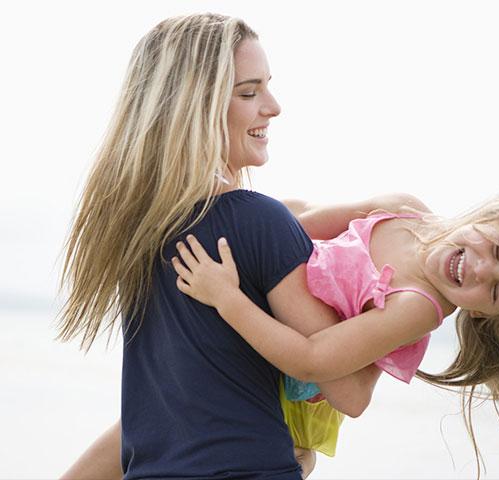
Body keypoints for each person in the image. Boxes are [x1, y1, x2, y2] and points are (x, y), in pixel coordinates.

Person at [57, 13, 404, 479]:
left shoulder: (139, 232)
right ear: (194, 108)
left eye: (267, 86)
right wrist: (397, 309)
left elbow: (161, 412)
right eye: (248, 92)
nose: (273, 106)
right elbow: (350, 393)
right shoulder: (258, 222)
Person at [171, 195, 499, 480]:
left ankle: (298, 456)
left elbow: (316, 362)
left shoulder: (418, 304)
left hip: (296, 390)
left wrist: (228, 298)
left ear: (488, 315)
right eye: (496, 248)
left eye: (496, 290)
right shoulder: (403, 208)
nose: (478, 268)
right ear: (497, 214)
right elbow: (296, 223)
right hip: (269, 333)